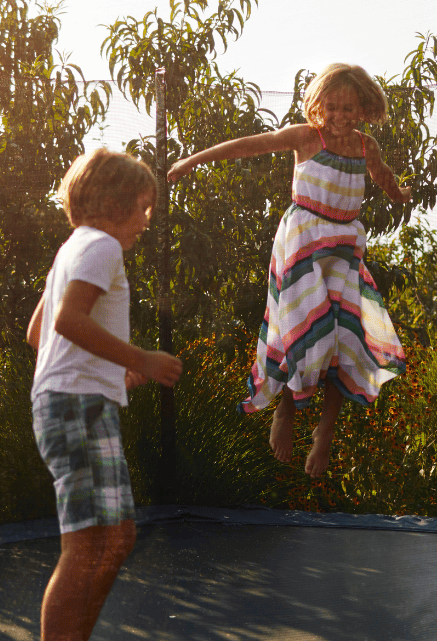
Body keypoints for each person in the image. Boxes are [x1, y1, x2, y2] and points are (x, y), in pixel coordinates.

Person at [167, 63, 409, 478]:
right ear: (318, 105)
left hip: (344, 250)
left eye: (349, 109)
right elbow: (249, 145)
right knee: (303, 327)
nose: (339, 117)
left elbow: (383, 177)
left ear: (364, 108)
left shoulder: (367, 146)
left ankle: (325, 433)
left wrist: (399, 191)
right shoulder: (304, 137)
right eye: (331, 107)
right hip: (303, 244)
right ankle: (286, 409)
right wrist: (193, 160)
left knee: (344, 335)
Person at [27, 148, 182, 641]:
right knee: (89, 544)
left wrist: (111, 371)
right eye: (142, 206)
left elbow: (38, 334)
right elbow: (67, 322)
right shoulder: (102, 247)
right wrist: (141, 360)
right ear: (115, 202)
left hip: (76, 400)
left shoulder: (74, 247)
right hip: (76, 407)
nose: (146, 220)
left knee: (115, 539)